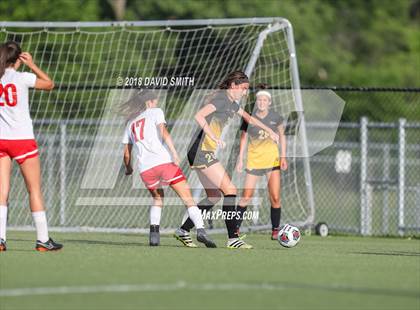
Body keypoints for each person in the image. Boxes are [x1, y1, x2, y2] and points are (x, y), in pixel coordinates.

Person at [174, 71, 279, 249]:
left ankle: (183, 230)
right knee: (230, 189)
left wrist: (269, 131)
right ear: (233, 86)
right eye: (244, 88)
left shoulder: (232, 104)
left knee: (214, 196)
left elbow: (250, 119)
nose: (245, 92)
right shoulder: (221, 100)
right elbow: (198, 116)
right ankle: (233, 238)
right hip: (201, 150)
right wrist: (213, 138)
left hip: (200, 151)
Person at [121, 89, 216, 247]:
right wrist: (174, 153)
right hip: (164, 163)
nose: (157, 103)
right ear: (149, 102)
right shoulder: (155, 111)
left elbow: (126, 154)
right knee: (188, 199)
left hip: (145, 169)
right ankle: (200, 231)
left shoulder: (130, 123)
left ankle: (154, 234)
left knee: (157, 199)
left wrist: (129, 169)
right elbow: (164, 132)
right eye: (155, 100)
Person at [0, 41, 62, 251]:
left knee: (2, 192)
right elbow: (50, 84)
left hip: (2, 140)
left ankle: (0, 239)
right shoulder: (22, 77)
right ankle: (43, 240)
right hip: (23, 139)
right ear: (18, 59)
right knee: (34, 189)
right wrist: (33, 65)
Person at [235, 85, 288, 240]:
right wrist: (240, 158)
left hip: (272, 161)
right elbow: (243, 139)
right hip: (254, 161)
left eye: (265, 100)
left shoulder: (276, 117)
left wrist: (283, 157)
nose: (262, 102)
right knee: (246, 197)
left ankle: (275, 230)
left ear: (269, 102)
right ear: (256, 101)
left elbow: (282, 136)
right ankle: (235, 229)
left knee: (275, 197)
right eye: (259, 99)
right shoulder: (249, 118)